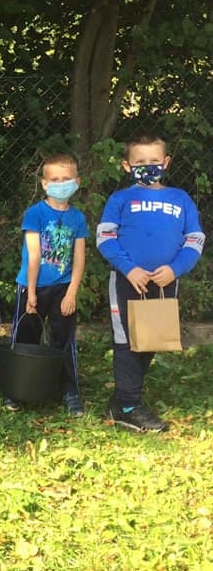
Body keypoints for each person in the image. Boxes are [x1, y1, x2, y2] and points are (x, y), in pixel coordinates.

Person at [96, 135, 205, 432]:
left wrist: (175, 269)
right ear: (127, 165)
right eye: (140, 162)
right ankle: (128, 407)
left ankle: (122, 399)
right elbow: (105, 238)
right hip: (128, 282)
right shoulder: (120, 199)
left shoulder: (180, 198)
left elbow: (195, 239)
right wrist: (129, 269)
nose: (148, 167)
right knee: (127, 342)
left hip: (165, 283)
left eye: (155, 161)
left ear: (166, 162)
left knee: (150, 339)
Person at [6, 154, 88, 415]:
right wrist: (31, 292)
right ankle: (16, 388)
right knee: (25, 336)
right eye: (55, 179)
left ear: (77, 181)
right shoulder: (35, 214)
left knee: (63, 340)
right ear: (44, 183)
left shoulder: (78, 218)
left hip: (63, 288)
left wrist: (71, 293)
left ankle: (68, 390)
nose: (61, 184)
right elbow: (34, 256)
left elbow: (79, 258)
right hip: (32, 287)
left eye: (66, 179)